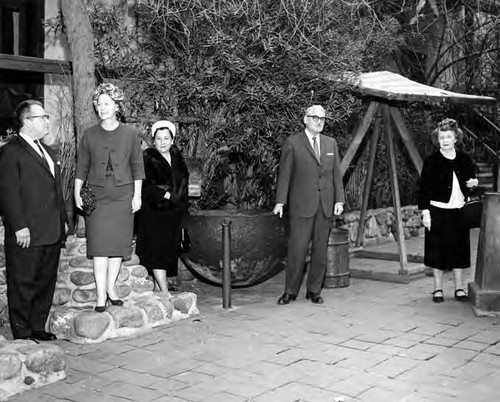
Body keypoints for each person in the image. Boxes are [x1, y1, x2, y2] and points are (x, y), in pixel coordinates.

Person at [0, 100, 67, 341]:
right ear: (27, 121)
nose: (47, 121)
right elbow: (8, 192)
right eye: (43, 117)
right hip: (26, 231)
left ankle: (38, 326)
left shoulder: (47, 151)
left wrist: (63, 219)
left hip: (51, 229)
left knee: (45, 282)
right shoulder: (11, 151)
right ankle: (23, 332)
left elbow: (55, 188)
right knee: (23, 281)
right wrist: (19, 226)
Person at [74, 83, 145, 312]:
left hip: (123, 195)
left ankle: (111, 289)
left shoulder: (130, 133)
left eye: (106, 103)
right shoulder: (89, 135)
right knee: (99, 247)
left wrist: (137, 196)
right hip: (96, 196)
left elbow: (137, 166)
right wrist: (77, 192)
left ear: (116, 106)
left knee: (117, 246)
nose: (101, 107)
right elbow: (82, 166)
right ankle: (100, 296)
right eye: (98, 104)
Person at [273, 105, 345, 305]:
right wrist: (280, 202)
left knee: (321, 251)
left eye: (322, 118)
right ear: (305, 119)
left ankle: (314, 291)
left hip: (325, 205)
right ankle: (290, 292)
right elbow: (285, 175)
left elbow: (335, 175)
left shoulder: (331, 144)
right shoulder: (293, 143)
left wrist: (339, 199)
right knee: (297, 250)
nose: (319, 121)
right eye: (314, 117)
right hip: (301, 205)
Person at [419, 118, 478, 303]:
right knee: (437, 251)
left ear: (455, 139)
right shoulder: (431, 161)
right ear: (438, 139)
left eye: (448, 137)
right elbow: (423, 189)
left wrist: (474, 184)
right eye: (441, 137)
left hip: (459, 212)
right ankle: (438, 289)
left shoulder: (465, 160)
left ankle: (459, 288)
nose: (444, 140)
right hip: (438, 212)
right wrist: (425, 213)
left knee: (459, 251)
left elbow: (471, 184)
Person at [136, 120, 189, 292]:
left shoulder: (177, 157)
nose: (163, 142)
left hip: (173, 212)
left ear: (172, 140)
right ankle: (165, 291)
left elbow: (184, 180)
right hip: (154, 212)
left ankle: (160, 288)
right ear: (154, 140)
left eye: (166, 138)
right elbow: (145, 185)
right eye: (159, 138)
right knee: (157, 250)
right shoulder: (148, 157)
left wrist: (180, 199)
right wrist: (166, 195)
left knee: (168, 250)